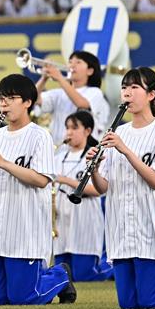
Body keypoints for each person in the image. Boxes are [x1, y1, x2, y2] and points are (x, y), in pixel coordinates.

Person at [0, 74, 76, 305]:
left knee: (25, 298)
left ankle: (60, 275)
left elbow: (42, 180)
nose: (4, 104)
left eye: (11, 98)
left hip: (24, 230)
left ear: (27, 102)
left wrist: (3, 162)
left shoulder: (39, 136)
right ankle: (52, 276)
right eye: (1, 99)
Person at [90, 67, 155, 309]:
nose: (127, 93)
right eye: (124, 87)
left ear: (151, 94)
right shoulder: (117, 132)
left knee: (149, 303)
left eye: (135, 87)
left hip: (150, 228)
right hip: (120, 228)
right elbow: (103, 187)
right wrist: (94, 169)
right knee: (127, 305)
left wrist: (126, 150)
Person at [53, 111, 112, 281]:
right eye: (67, 128)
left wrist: (65, 180)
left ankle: (112, 271)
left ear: (87, 131)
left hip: (85, 216)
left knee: (84, 275)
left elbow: (98, 190)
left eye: (74, 128)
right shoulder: (58, 158)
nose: (69, 132)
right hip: (62, 218)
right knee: (63, 273)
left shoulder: (94, 157)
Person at [35, 50, 109, 144]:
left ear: (90, 71)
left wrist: (59, 77)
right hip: (59, 148)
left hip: (84, 149)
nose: (72, 65)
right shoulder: (58, 93)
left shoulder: (95, 92)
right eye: (70, 62)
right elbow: (34, 98)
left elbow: (82, 104)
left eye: (78, 62)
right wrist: (44, 78)